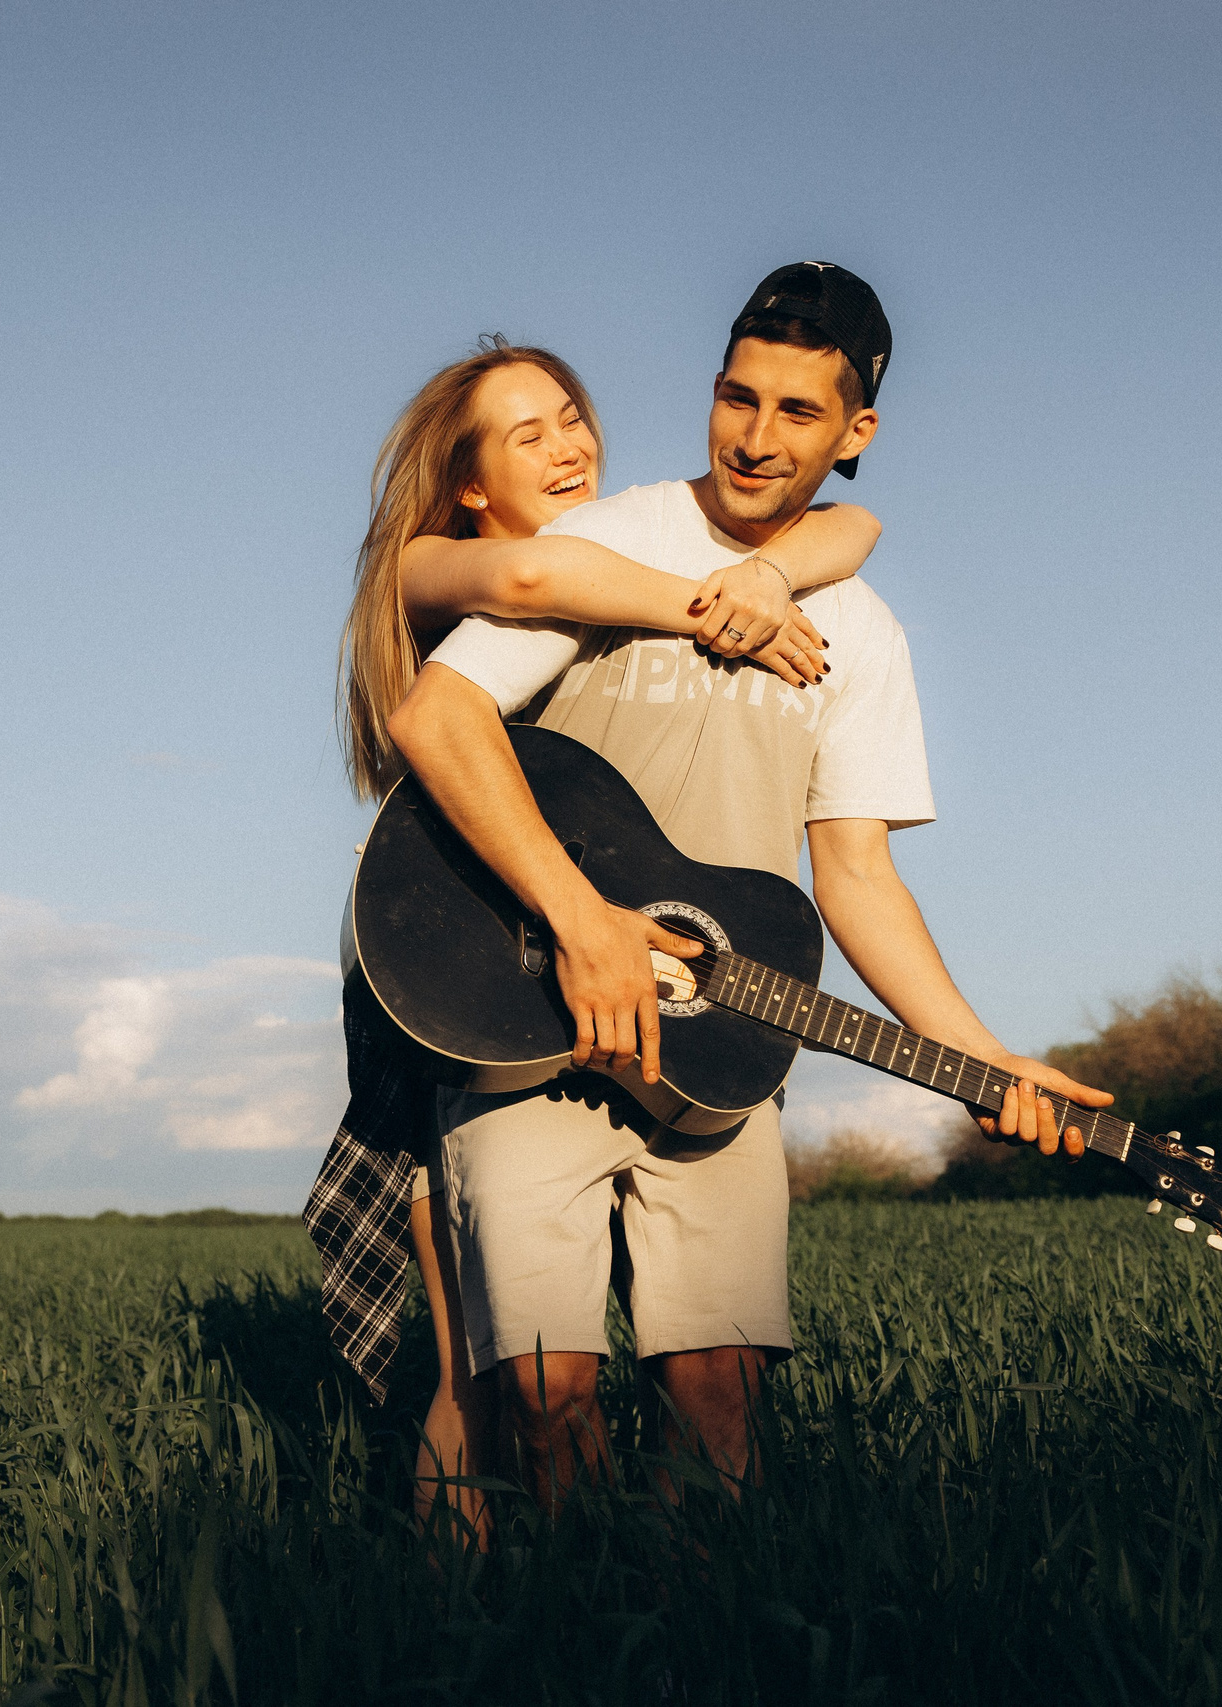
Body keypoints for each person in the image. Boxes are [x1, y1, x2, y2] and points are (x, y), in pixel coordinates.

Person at [382, 264, 1111, 1510]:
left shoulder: (863, 632)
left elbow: (857, 874)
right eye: (738, 398)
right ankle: (572, 1616)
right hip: (534, 1013)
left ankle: (701, 1622)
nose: (756, 438)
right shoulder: (606, 544)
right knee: (545, 1395)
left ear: (853, 433)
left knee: (716, 1396)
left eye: (796, 412)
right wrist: (581, 922)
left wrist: (984, 1059)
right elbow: (437, 720)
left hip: (722, 1046)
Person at [307, 334, 888, 1543]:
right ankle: (460, 1608)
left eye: (572, 416)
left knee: (518, 1354)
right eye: (528, 437)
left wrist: (779, 569)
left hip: (519, 924)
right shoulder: (438, 564)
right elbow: (537, 580)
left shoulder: (596, 557)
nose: (569, 447)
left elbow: (852, 527)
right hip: (449, 950)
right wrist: (725, 607)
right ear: (471, 486)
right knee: (475, 1367)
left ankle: (572, 1591)